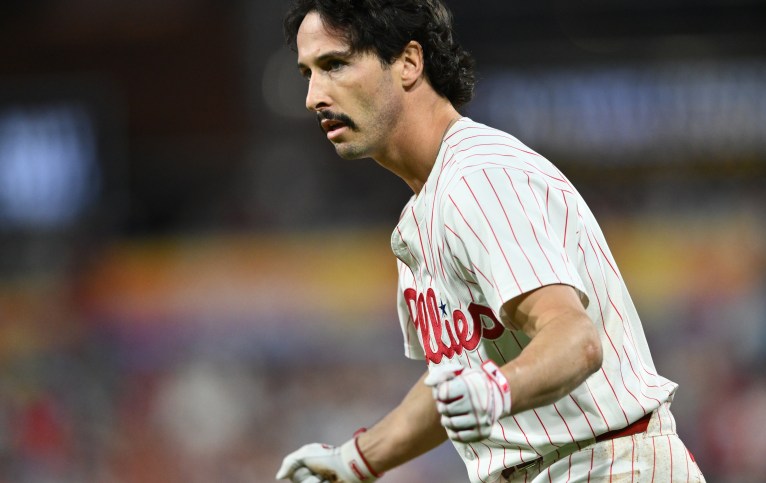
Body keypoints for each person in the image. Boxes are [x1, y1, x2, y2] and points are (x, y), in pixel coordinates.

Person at [275, 1, 706, 482]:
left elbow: (575, 338)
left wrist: (499, 387)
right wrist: (356, 460)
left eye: (335, 64)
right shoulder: (422, 214)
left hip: (607, 465)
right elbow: (456, 383)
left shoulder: (477, 177)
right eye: (307, 73)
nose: (314, 96)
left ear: (409, 62)